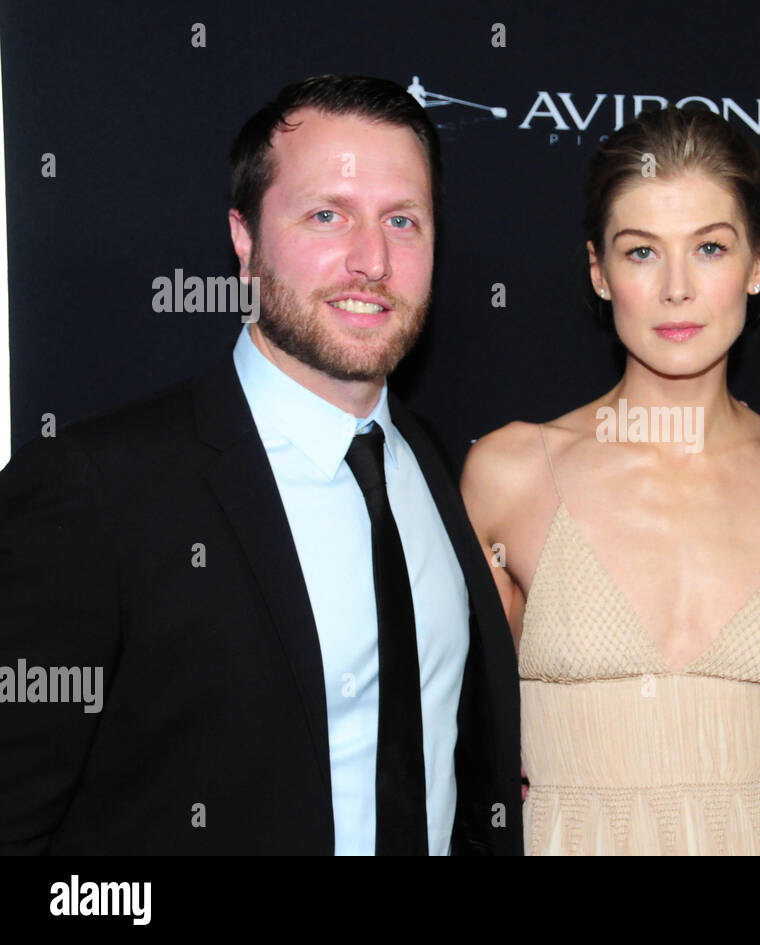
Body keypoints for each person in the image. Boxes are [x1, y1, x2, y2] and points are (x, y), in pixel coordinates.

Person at [0, 75, 521, 855]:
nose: (371, 260)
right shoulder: (94, 490)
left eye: (403, 221)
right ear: (244, 240)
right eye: (326, 215)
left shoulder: (439, 469)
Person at [461, 106, 760, 855]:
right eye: (641, 252)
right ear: (600, 272)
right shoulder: (511, 473)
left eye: (709, 247)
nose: (676, 288)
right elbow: (433, 725)